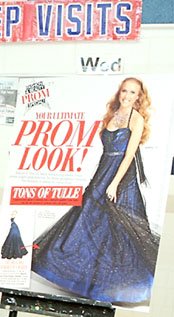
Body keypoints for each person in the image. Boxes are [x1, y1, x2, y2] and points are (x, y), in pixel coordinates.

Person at [31, 77, 160, 304]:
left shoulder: (136, 119)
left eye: (132, 93)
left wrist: (114, 183)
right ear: (119, 92)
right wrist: (99, 178)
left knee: (117, 229)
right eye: (124, 91)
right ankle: (76, 275)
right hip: (103, 171)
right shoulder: (110, 116)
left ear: (139, 97)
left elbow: (129, 155)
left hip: (121, 177)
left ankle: (116, 287)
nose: (127, 96)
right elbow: (105, 150)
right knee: (87, 217)